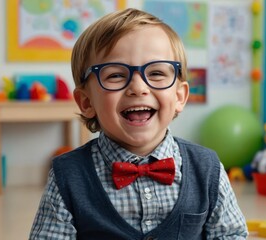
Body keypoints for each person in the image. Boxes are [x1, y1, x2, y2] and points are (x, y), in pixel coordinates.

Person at [30, 8, 248, 239]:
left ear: (179, 97)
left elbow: (231, 235)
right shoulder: (68, 175)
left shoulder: (207, 168)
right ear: (86, 102)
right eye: (115, 75)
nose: (138, 87)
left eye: (156, 73)